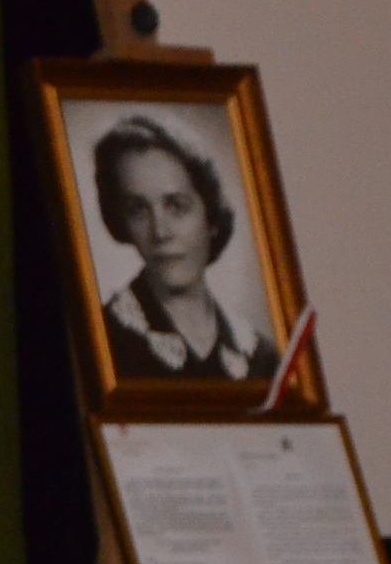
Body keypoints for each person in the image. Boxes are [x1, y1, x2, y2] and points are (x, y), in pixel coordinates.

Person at [90, 113, 280, 382]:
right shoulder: (101, 341)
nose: (160, 232)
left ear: (210, 216)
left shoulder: (260, 358)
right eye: (137, 210)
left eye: (176, 206)